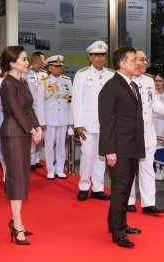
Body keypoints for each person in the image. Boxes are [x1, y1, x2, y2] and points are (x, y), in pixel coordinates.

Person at [98, 46, 144, 248]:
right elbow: (106, 121)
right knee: (119, 190)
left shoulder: (132, 85)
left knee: (125, 189)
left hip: (132, 146)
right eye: (134, 59)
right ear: (123, 63)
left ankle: (119, 224)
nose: (138, 63)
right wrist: (109, 150)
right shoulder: (112, 86)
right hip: (118, 148)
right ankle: (118, 232)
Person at [127, 49, 164, 214]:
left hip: (147, 132)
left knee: (147, 168)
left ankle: (148, 203)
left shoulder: (149, 81)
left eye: (146, 59)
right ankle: (128, 200)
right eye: (140, 59)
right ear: (132, 61)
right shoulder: (124, 80)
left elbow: (154, 104)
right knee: (129, 168)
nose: (144, 63)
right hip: (129, 133)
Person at [0, 45, 42, 245]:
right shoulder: (8, 83)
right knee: (16, 178)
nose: (27, 62)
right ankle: (17, 225)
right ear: (12, 63)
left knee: (22, 177)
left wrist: (38, 126)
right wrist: (31, 130)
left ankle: (17, 222)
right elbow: (15, 111)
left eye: (26, 59)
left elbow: (28, 109)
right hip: (13, 134)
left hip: (23, 134)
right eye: (24, 59)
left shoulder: (22, 81)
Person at [72, 41, 113, 201]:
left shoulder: (111, 74)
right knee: (87, 155)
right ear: (90, 57)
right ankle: (83, 186)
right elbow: (76, 100)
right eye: (97, 55)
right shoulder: (82, 74)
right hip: (88, 124)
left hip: (106, 125)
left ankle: (98, 188)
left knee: (101, 157)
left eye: (102, 55)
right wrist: (78, 123)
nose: (100, 58)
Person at [37, 55, 73, 180]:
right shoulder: (44, 81)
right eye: (56, 67)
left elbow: (70, 101)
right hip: (49, 119)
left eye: (61, 66)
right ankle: (50, 169)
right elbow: (40, 103)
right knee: (49, 146)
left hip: (63, 118)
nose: (59, 69)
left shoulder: (67, 81)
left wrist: (71, 121)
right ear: (50, 68)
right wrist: (41, 121)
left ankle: (59, 168)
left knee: (61, 145)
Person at [24, 51, 47, 171]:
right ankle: (30, 160)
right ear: (38, 61)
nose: (45, 62)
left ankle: (37, 159)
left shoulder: (44, 74)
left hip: (42, 109)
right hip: (31, 109)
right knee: (32, 135)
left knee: (40, 136)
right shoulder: (26, 74)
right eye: (43, 60)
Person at [153, 73, 164, 181]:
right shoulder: (153, 93)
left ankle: (163, 170)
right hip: (153, 122)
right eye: (156, 81)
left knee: (161, 148)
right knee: (154, 148)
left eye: (160, 81)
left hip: (162, 123)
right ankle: (157, 169)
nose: (157, 83)